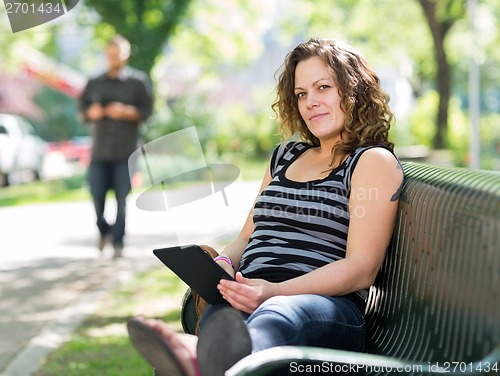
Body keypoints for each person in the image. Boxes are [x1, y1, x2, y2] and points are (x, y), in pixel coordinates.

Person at [127, 37, 404, 375]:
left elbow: (362, 268)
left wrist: (273, 292)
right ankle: (203, 358)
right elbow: (247, 237)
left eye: (323, 87)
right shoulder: (285, 156)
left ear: (353, 90)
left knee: (277, 316)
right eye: (302, 94)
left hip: (323, 310)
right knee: (224, 314)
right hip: (251, 292)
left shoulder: (371, 161)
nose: (311, 102)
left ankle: (200, 355)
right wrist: (226, 264)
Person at [79, 34, 153, 257]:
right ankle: (103, 230)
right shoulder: (94, 82)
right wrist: (91, 112)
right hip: (100, 151)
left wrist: (125, 112)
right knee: (96, 195)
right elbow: (82, 111)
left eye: (118, 55)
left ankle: (118, 242)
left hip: (126, 152)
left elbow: (147, 112)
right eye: (111, 56)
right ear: (106, 55)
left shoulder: (138, 82)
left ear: (126, 54)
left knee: (122, 199)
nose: (115, 60)